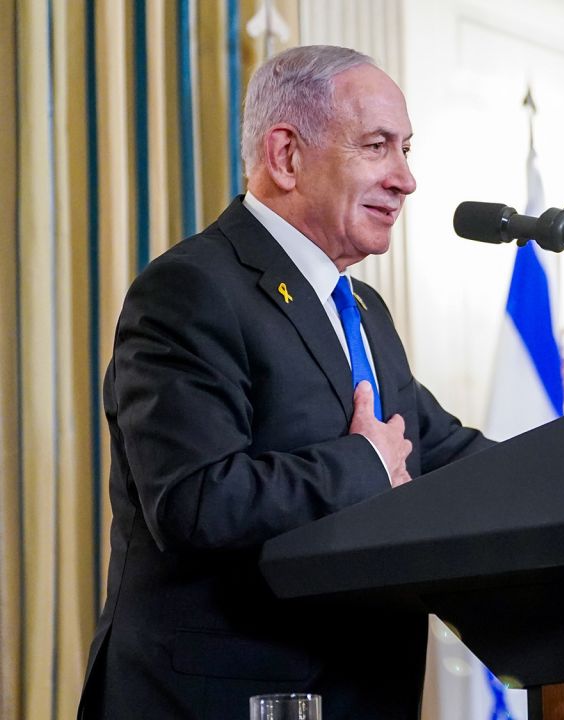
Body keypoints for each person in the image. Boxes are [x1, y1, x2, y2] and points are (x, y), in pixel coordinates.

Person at [78, 45, 493, 719]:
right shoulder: (191, 289)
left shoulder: (360, 308)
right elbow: (193, 502)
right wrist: (361, 463)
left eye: (407, 149)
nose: (406, 178)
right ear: (287, 156)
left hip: (358, 694)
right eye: (378, 146)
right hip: (216, 700)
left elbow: (440, 450)